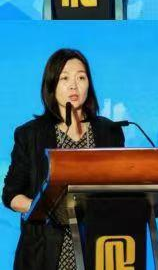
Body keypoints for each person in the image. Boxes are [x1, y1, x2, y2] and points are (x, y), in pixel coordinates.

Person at [2, 49, 124, 270]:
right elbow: (11, 195)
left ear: (89, 84)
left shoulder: (110, 131)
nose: (73, 86)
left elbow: (121, 187)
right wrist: (47, 210)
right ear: (51, 85)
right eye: (64, 78)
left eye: (81, 77)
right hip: (44, 252)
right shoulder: (31, 134)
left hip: (98, 247)